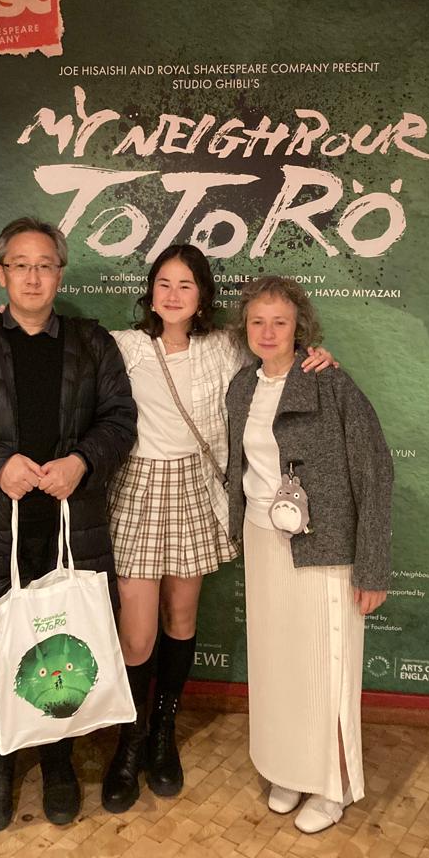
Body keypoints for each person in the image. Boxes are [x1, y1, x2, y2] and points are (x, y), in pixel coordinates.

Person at [0, 217, 137, 832]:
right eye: (21, 264)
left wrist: (83, 460)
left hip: (70, 527)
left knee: (66, 649)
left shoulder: (93, 344)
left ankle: (59, 762)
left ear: (59, 273)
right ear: (0, 272)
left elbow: (120, 419)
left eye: (45, 264)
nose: (34, 276)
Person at [99, 246, 335, 813]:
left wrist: (314, 356)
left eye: (186, 284)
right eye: (163, 282)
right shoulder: (120, 345)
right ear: (149, 290)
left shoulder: (224, 347)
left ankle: (163, 735)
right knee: (137, 633)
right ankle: (127, 746)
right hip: (136, 489)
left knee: (181, 618)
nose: (173, 294)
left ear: (203, 295)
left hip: (195, 491)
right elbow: (51, 346)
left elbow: (274, 351)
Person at [225, 276, 392, 834]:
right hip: (262, 538)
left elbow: (375, 471)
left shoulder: (330, 382)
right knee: (277, 663)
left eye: (281, 322)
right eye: (257, 321)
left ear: (301, 329)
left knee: (327, 664)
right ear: (243, 328)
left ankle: (333, 783)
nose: (268, 332)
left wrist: (371, 565)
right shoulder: (241, 388)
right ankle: (289, 768)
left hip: (325, 546)